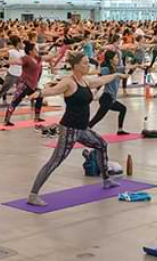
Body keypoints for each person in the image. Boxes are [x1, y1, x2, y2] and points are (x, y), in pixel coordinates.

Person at [25, 52, 126, 207]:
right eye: (85, 63)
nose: (88, 66)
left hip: (82, 129)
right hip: (70, 129)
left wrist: (116, 75)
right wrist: (38, 93)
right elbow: (53, 90)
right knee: (55, 161)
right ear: (76, 65)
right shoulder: (69, 82)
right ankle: (33, 195)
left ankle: (106, 180)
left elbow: (101, 80)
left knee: (101, 144)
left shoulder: (84, 81)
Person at [87, 50, 131, 135]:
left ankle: (120, 130)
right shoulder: (106, 69)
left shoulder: (116, 69)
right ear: (111, 60)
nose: (118, 59)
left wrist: (139, 65)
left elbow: (128, 67)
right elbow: (94, 72)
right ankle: (86, 129)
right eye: (116, 57)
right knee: (98, 117)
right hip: (106, 98)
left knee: (123, 109)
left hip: (111, 98)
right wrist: (84, 71)